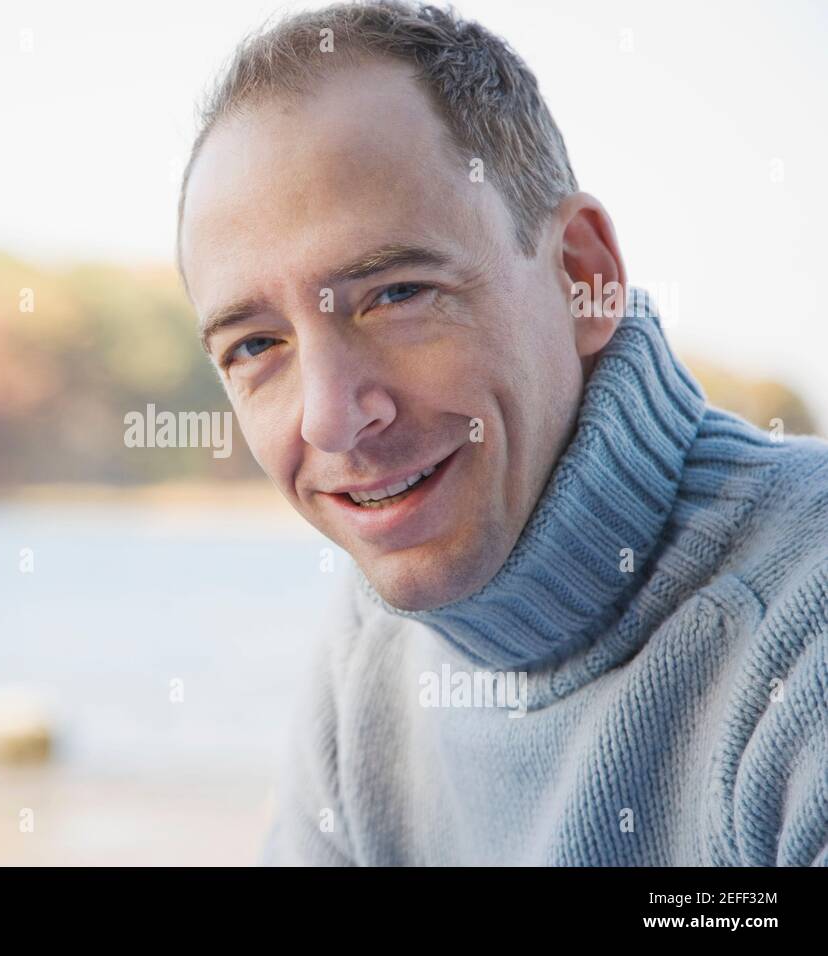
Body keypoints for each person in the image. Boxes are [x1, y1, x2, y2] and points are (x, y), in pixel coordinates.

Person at [176, 1, 828, 865]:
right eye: (257, 346)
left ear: (580, 276)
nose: (332, 418)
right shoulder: (372, 651)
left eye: (397, 294)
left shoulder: (803, 628)